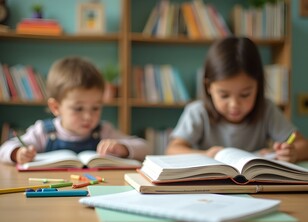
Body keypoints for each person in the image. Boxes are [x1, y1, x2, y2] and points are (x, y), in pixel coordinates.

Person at [166, 36, 308, 163]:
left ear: (258, 86)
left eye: (245, 94)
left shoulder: (266, 109)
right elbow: (172, 149)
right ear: (208, 87)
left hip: (255, 187)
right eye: (224, 95)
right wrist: (205, 155)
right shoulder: (198, 111)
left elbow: (303, 145)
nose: (234, 105)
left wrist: (290, 152)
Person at [0, 56, 150, 165]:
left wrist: (122, 148)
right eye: (78, 108)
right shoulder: (43, 131)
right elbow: (4, 149)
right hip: (50, 193)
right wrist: (18, 153)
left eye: (96, 108)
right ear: (55, 107)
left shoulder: (104, 130)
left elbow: (145, 147)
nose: (88, 116)